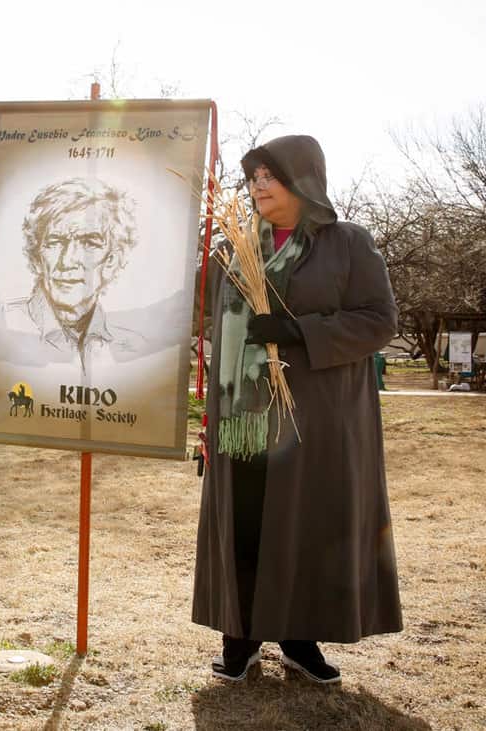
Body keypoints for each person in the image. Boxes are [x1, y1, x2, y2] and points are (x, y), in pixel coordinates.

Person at [192, 135, 403, 684]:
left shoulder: (347, 244)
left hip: (315, 417)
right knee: (245, 522)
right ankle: (238, 637)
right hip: (244, 418)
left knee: (303, 526)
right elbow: (213, 327)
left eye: (270, 175)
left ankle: (299, 637)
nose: (258, 186)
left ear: (303, 179)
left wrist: (300, 332)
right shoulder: (234, 247)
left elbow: (380, 320)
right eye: (254, 177)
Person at [4, 178, 143, 373]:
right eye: (55, 242)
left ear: (111, 260)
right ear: (37, 257)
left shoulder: (134, 347)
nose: (67, 261)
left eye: (89, 243)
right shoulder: (2, 328)